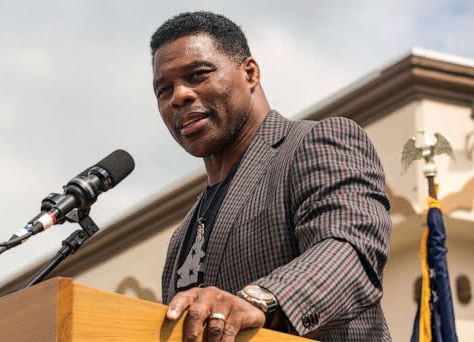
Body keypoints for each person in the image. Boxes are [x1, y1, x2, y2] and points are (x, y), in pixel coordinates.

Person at [150, 11, 392, 341]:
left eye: (198, 75)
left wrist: (260, 300)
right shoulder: (181, 236)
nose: (179, 96)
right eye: (164, 90)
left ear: (250, 73)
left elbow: (349, 249)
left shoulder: (315, 142)